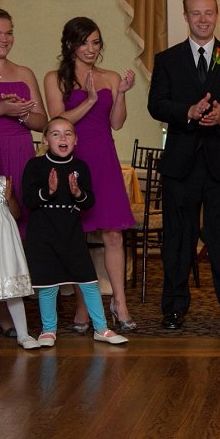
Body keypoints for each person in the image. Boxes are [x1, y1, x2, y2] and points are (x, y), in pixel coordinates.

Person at [148, 0, 220, 331]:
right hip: (181, 164)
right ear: (185, 17)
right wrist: (187, 112)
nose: (203, 19)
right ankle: (174, 307)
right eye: (196, 13)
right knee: (178, 237)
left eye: (209, 13)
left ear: (217, 15)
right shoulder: (167, 59)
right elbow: (156, 104)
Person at [42, 17, 138, 333]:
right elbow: (57, 120)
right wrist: (91, 100)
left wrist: (120, 93)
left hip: (104, 158)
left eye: (96, 42)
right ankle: (85, 303)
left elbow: (117, 123)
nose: (91, 49)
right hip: (72, 160)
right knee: (78, 236)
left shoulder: (109, 76)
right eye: (84, 42)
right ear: (70, 44)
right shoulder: (55, 78)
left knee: (112, 233)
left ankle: (119, 302)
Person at [20, 118, 127, 346]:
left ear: (76, 140)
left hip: (71, 234)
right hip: (43, 235)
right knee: (49, 285)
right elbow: (28, 200)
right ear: (46, 139)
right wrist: (47, 191)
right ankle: (48, 330)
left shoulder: (81, 167)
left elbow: (88, 202)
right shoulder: (35, 166)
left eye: (68, 134)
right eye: (56, 134)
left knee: (89, 281)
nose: (62, 138)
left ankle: (101, 328)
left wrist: (78, 192)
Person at [0, 5, 46, 338]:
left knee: (17, 230)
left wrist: (18, 114)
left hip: (18, 154)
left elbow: (42, 122)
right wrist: (0, 108)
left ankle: (10, 305)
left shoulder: (24, 72)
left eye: (9, 32)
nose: (5, 39)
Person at [0, 139, 39, 350]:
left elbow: (17, 214)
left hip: (5, 242)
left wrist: (9, 198)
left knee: (13, 285)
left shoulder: (4, 182)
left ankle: (23, 333)